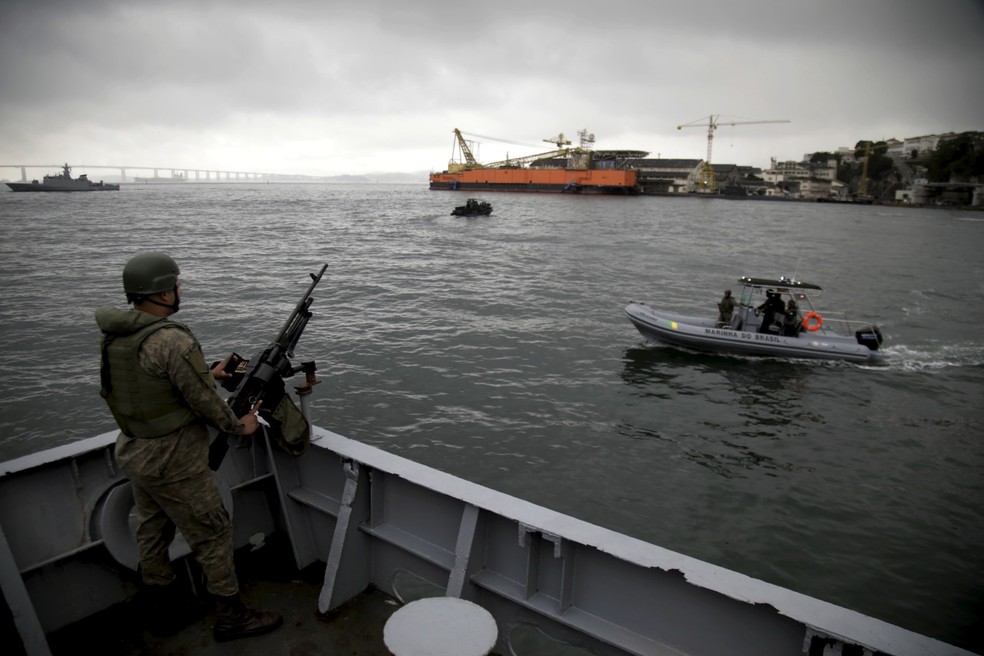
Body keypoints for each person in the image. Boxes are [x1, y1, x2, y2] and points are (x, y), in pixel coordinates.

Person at [95, 252, 283, 642]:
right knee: (212, 533)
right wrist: (241, 425)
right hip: (174, 460)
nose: (181, 290)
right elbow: (205, 403)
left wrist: (208, 374)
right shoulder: (172, 340)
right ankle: (232, 617)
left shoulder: (116, 336)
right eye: (177, 284)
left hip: (135, 449)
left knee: (152, 531)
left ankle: (163, 608)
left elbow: (147, 387)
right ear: (161, 292)